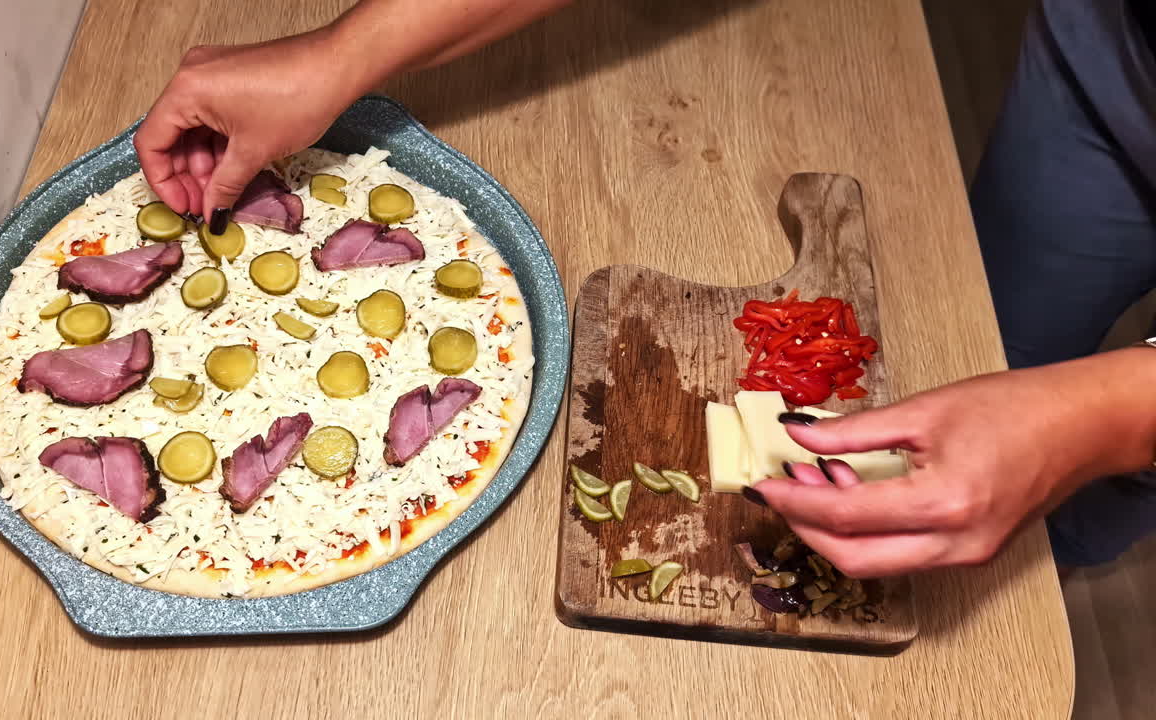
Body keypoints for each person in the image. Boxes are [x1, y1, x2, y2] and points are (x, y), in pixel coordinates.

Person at [136, 0, 1156, 578]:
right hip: (1110, 45)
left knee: (1064, 454)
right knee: (998, 359)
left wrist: (1109, 416)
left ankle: (1069, 543)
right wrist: (339, 56)